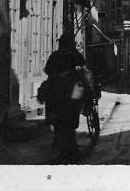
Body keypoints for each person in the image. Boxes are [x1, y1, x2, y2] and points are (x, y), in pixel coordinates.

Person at [44, 32, 86, 163]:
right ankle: (71, 152)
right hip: (69, 94)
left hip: (56, 94)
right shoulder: (72, 55)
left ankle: (63, 149)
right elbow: (82, 61)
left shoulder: (55, 55)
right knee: (69, 125)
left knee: (59, 124)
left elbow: (47, 70)